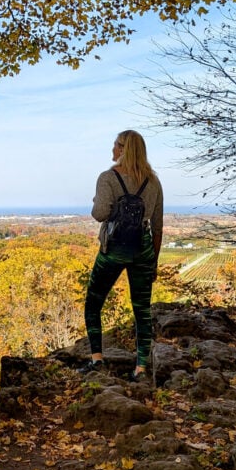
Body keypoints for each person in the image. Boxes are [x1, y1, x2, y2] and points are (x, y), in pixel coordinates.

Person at [81, 130, 163, 381]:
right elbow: (157, 226)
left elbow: (99, 213)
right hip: (143, 249)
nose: (113, 149)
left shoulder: (108, 178)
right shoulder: (153, 182)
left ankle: (97, 359)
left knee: (94, 302)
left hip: (114, 250)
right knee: (142, 309)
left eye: (116, 145)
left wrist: (98, 199)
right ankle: (140, 367)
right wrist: (154, 262)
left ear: (124, 149)